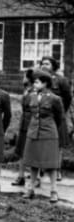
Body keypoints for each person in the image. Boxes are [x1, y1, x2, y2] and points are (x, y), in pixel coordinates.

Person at [22, 69, 64, 203]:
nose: (34, 84)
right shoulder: (31, 96)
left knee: (50, 164)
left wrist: (50, 128)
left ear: (45, 83)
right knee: (33, 163)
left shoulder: (54, 99)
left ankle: (54, 191)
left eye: (37, 82)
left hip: (49, 133)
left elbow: (59, 118)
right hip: (33, 132)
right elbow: (27, 111)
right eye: (34, 82)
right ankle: (31, 189)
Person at [12, 69, 35, 187]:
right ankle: (20, 176)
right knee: (21, 151)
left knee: (32, 151)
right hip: (23, 123)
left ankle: (35, 178)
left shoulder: (34, 92)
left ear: (29, 79)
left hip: (31, 124)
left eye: (24, 76)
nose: (22, 78)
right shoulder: (26, 90)